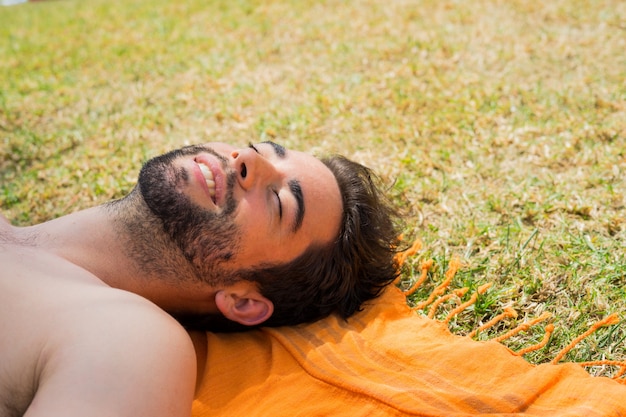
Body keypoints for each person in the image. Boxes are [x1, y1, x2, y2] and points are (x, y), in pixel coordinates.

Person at [0, 141, 401, 416]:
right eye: (260, 148)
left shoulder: (130, 340)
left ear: (244, 301)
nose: (246, 159)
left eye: (279, 201)